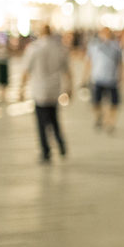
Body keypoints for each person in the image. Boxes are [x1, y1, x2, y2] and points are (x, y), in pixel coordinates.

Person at [19, 24, 71, 163]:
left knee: (41, 123)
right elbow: (67, 70)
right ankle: (60, 144)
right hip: (54, 89)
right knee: (54, 119)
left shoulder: (34, 48)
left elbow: (26, 70)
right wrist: (69, 88)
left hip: (39, 90)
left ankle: (46, 151)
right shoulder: (59, 48)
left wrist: (21, 88)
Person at [85, 27, 123, 133]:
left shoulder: (116, 46)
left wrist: (121, 76)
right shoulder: (93, 45)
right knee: (96, 102)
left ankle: (110, 122)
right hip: (97, 78)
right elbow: (88, 61)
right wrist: (86, 76)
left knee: (113, 103)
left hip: (112, 78)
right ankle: (99, 117)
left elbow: (120, 62)